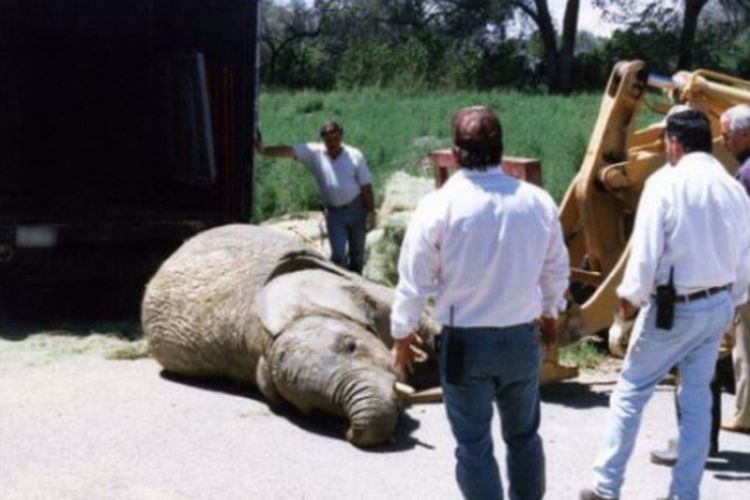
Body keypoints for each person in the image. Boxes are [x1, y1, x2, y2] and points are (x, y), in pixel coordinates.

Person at [390, 106, 569, 500]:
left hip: (466, 345)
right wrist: (550, 312)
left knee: (473, 446)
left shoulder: (437, 206)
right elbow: (556, 268)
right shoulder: (537, 202)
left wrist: (402, 335)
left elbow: (413, 281)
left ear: (454, 155)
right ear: (502, 152)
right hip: (522, 340)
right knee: (523, 435)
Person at [580, 109, 750, 500]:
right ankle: (684, 493)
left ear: (674, 143)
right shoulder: (732, 188)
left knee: (630, 392)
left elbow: (644, 259)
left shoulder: (664, 184)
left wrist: (626, 308)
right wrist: (733, 305)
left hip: (674, 309)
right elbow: (744, 257)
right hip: (718, 306)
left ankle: (605, 487)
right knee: (696, 399)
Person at [255, 121, 375, 273]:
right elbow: (288, 151)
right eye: (329, 140)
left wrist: (371, 211)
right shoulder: (314, 152)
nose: (332, 143)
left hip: (356, 209)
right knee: (338, 256)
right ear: (322, 139)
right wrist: (264, 150)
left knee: (357, 256)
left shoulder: (355, 155)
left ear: (341, 136)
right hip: (335, 214)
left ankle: (358, 287)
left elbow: (366, 187)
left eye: (336, 139)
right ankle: (341, 287)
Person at [720, 103, 750, 433]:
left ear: (745, 134)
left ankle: (745, 414)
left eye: (727, 135)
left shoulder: (745, 174)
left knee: (746, 344)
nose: (723, 140)